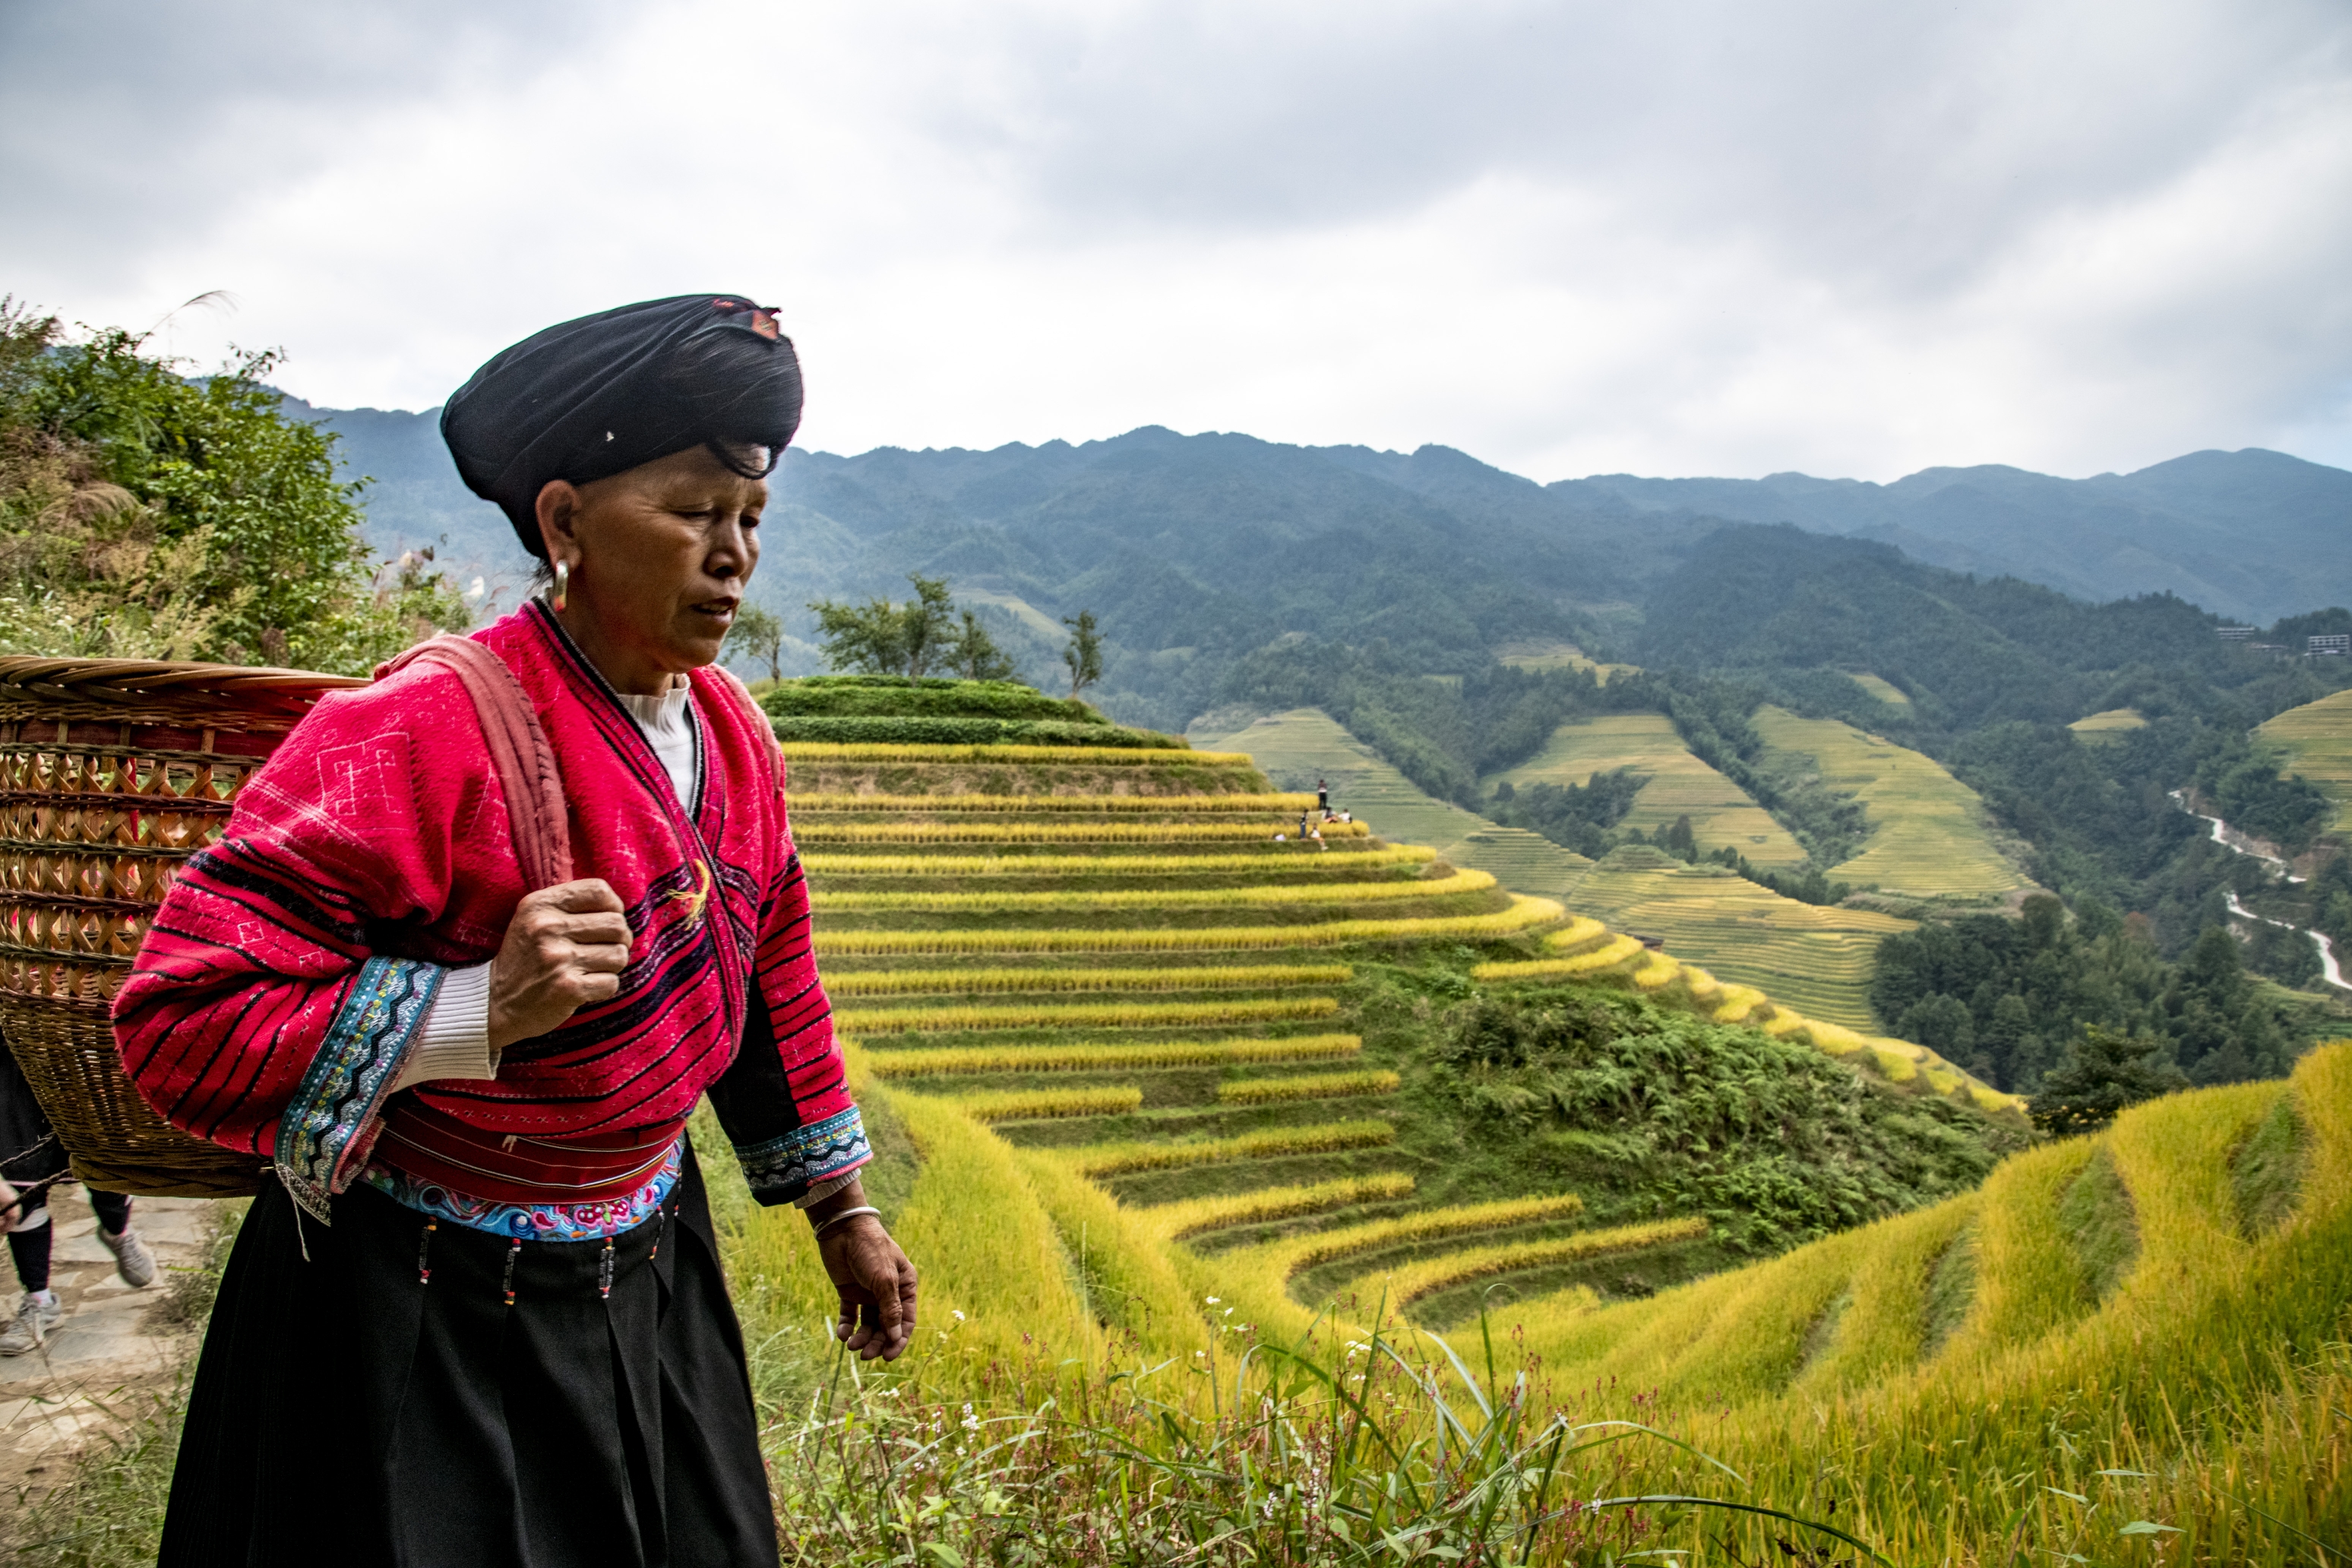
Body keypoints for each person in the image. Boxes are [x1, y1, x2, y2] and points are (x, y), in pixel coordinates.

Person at [114, 295, 917, 1567]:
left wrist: (839, 1206)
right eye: (695, 510)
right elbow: (178, 1019)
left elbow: (770, 972)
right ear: (563, 522)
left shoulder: (736, 737)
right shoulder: (417, 730)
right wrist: (478, 1004)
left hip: (650, 1265)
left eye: (751, 516)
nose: (734, 554)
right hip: (419, 1304)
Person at [0, 1048, 155, 1353]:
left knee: (103, 1168)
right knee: (20, 1183)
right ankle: (40, 1300)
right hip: (11, 1063)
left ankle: (118, 1233)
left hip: (75, 1055)